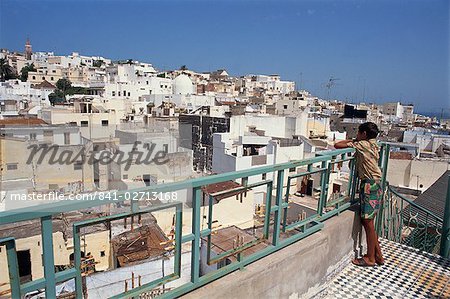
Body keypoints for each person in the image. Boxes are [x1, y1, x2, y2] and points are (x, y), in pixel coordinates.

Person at [334, 122, 384, 267]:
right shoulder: (374, 143)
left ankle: (370, 258)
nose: (356, 135)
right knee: (370, 222)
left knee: (367, 222)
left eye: (358, 133)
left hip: (369, 184)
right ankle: (378, 255)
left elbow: (338, 145)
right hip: (376, 183)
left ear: (364, 135)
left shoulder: (363, 145)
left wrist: (355, 141)